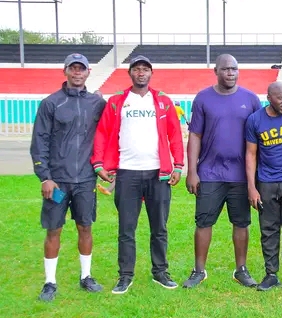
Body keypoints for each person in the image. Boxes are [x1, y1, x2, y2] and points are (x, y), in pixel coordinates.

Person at [92, 55, 185, 294]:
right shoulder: (117, 102)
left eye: (145, 69)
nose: (141, 73)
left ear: (151, 74)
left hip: (158, 173)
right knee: (126, 228)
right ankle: (125, 275)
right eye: (136, 69)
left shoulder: (163, 101)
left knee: (159, 227)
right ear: (130, 73)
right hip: (127, 173)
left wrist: (178, 165)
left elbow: (175, 135)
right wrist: (98, 163)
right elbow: (102, 133)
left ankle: (160, 272)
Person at [30, 53, 106, 302]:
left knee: (85, 226)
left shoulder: (97, 103)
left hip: (85, 179)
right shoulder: (51, 103)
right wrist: (45, 177)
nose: (77, 73)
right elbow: (39, 141)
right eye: (73, 69)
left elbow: (108, 134)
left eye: (81, 69)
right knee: (54, 230)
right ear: (65, 71)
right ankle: (49, 282)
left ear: (87, 72)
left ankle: (86, 277)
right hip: (58, 181)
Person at [181, 54, 261, 289]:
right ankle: (199, 271)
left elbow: (258, 138)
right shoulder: (203, 98)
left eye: (234, 69)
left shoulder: (250, 99)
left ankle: (241, 270)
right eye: (225, 69)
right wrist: (192, 171)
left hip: (240, 175)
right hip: (210, 173)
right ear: (215, 71)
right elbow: (195, 135)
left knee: (241, 223)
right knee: (204, 222)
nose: (230, 73)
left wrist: (255, 179)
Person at [245, 82, 282, 292]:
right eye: (280, 98)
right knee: (268, 230)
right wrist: (252, 187)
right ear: (269, 97)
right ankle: (271, 274)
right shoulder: (255, 120)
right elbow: (251, 154)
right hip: (266, 183)